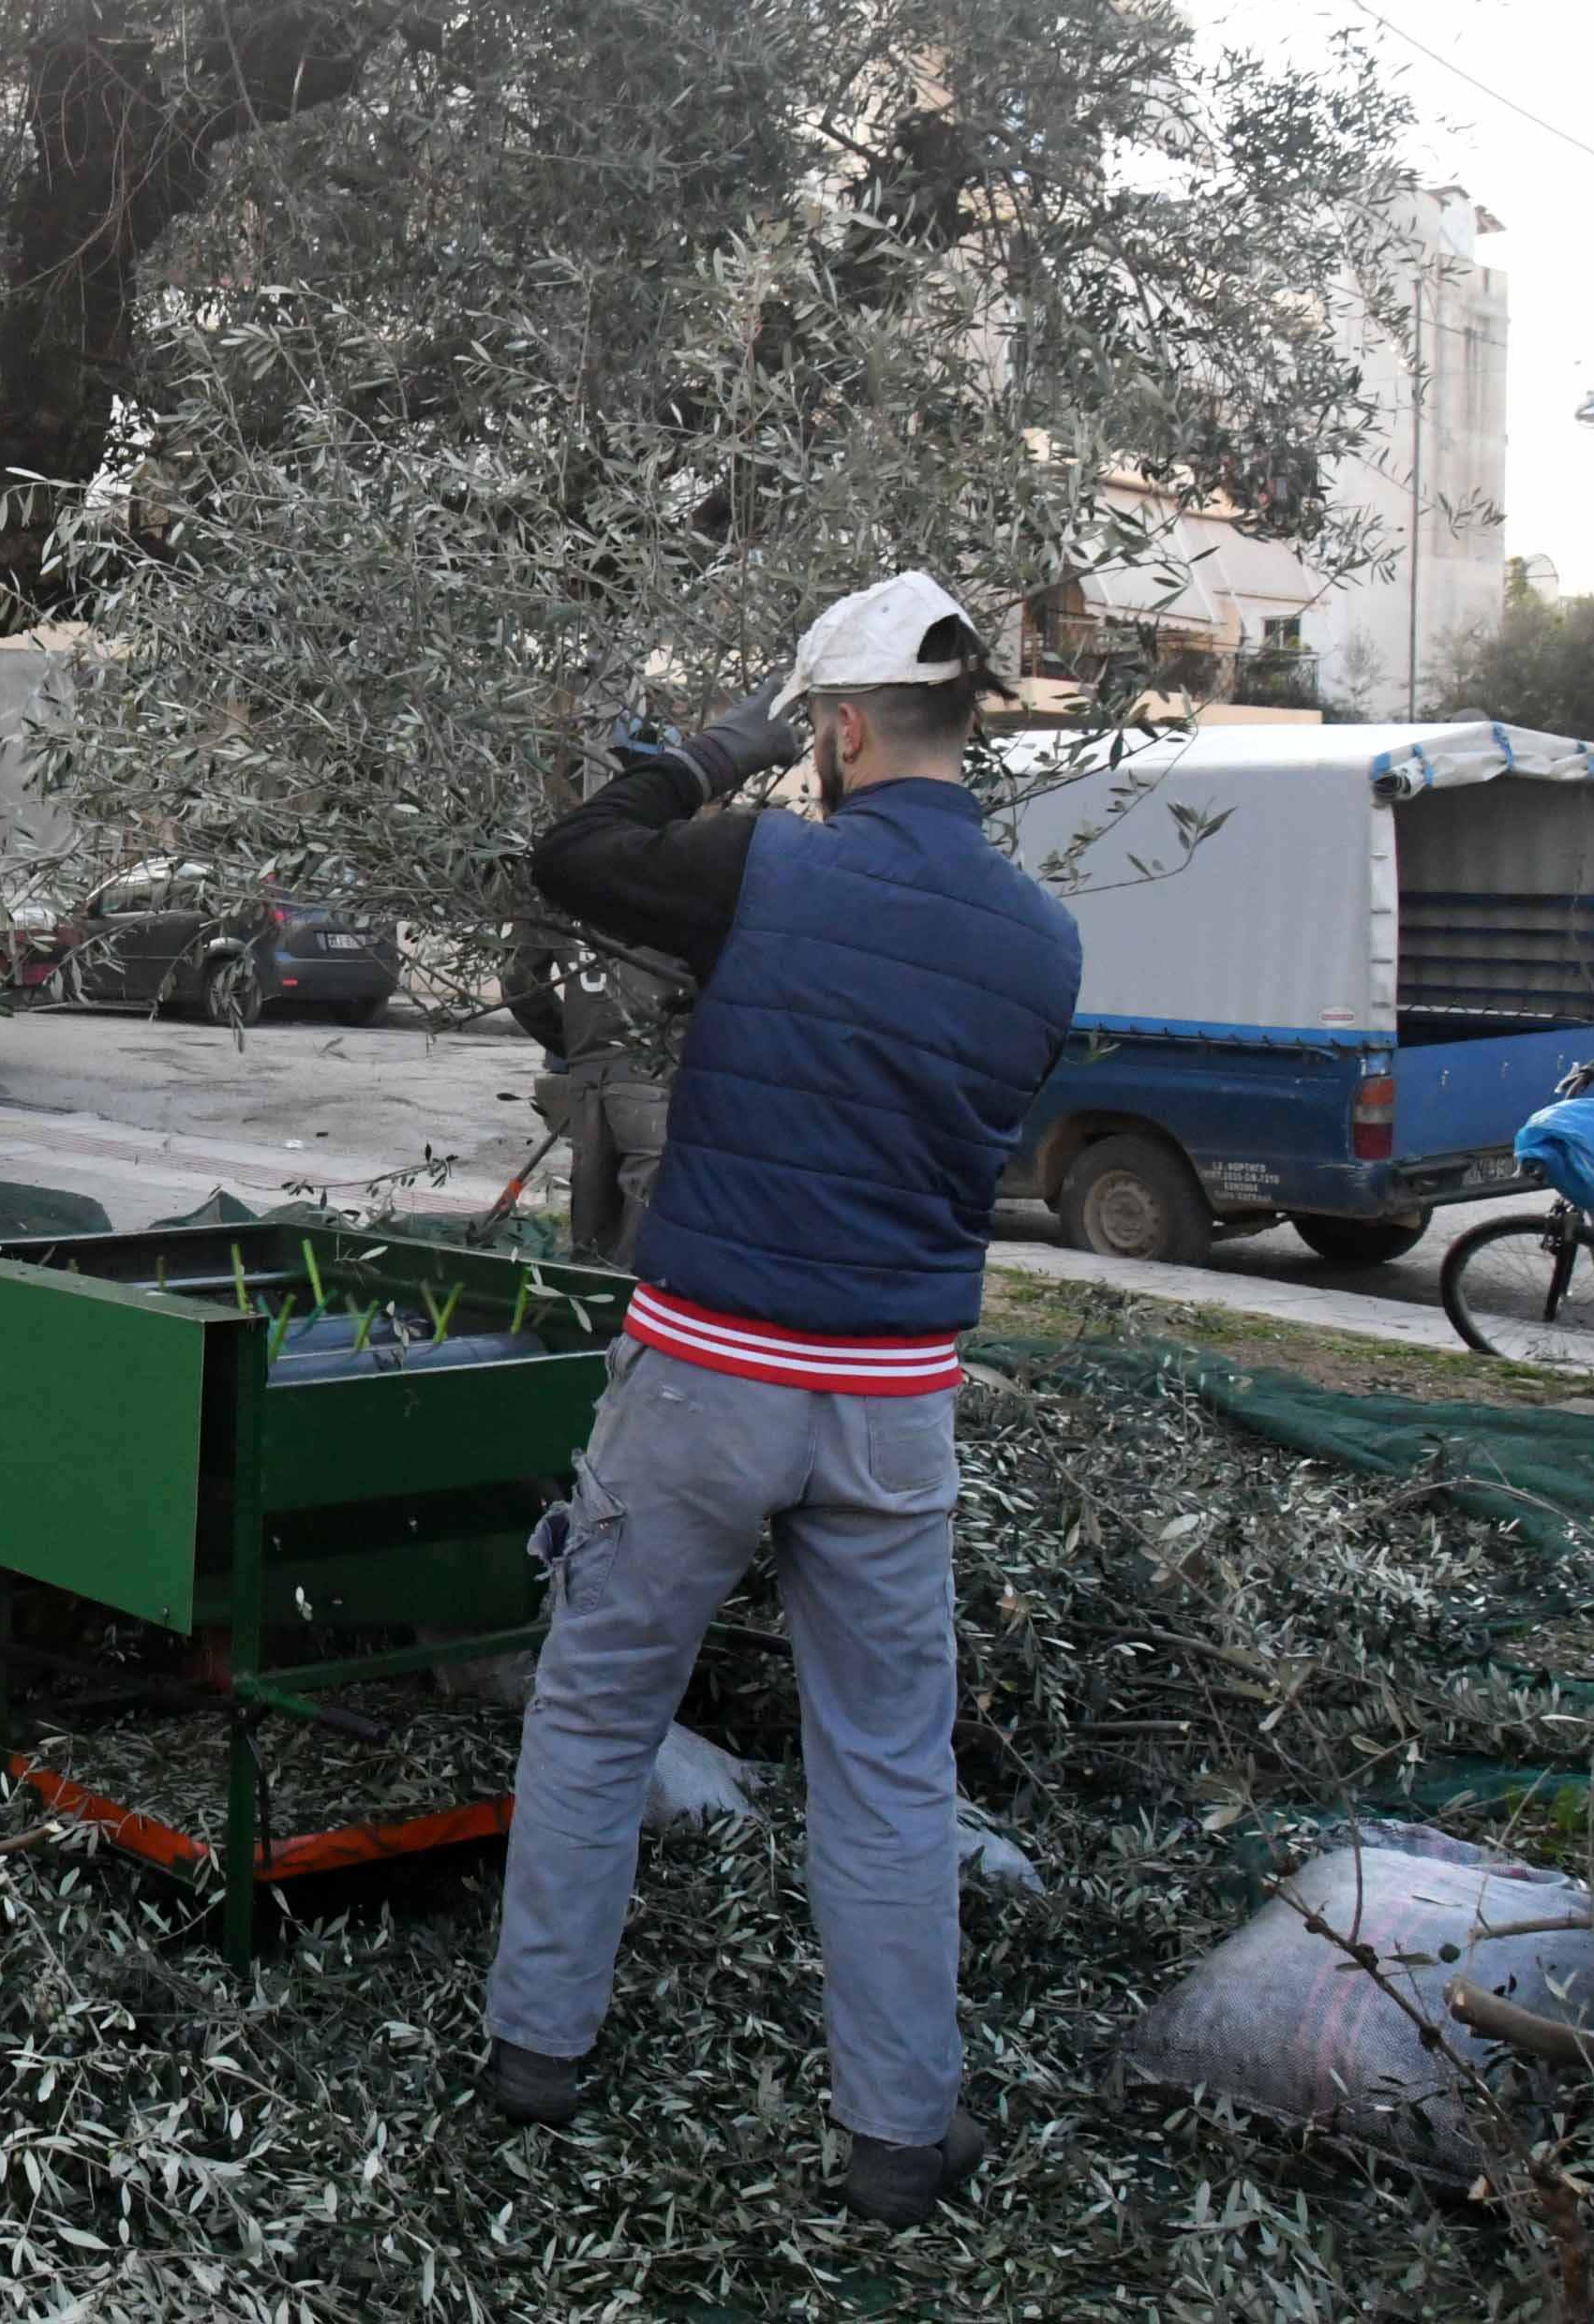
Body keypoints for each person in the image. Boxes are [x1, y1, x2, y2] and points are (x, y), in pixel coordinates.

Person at [477, 573, 1081, 2227]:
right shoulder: (1044, 940)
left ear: (834, 726)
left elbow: (573, 856)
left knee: (598, 1707)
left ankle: (538, 2056)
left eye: (805, 727)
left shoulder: (771, 863)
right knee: (887, 1763)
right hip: (891, 1402)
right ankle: (899, 2136)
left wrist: (709, 747)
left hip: (705, 1374)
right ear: (967, 726)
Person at [499, 913, 685, 1265]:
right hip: (654, 1066)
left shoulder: (560, 887)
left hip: (591, 1065)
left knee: (592, 1186)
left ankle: (590, 1287)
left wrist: (572, 1044)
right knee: (647, 1191)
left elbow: (517, 978)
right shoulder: (680, 879)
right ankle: (624, 1294)